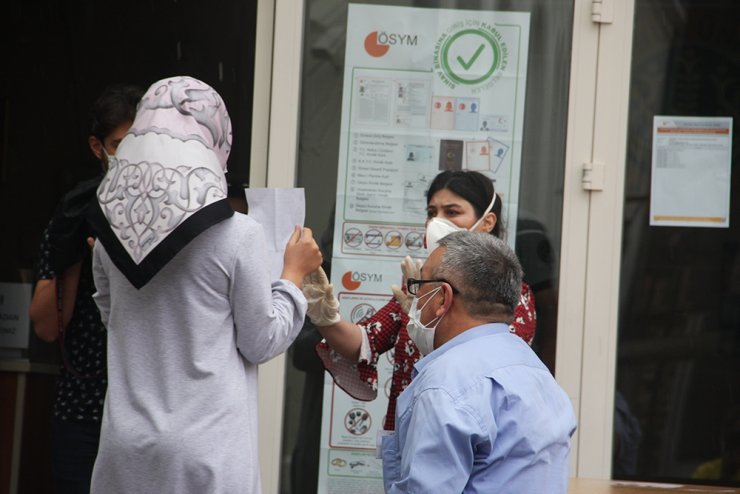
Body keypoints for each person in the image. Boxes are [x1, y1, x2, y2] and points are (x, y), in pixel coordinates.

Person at [86, 76, 322, 493]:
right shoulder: (237, 234)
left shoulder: (107, 237)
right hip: (207, 449)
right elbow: (262, 341)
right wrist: (293, 276)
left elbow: (114, 321)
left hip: (126, 444)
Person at [306, 170, 536, 431]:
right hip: (410, 430)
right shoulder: (418, 284)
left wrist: (426, 327)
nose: (436, 222)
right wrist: (324, 317)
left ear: (487, 222)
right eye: (431, 212)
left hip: (468, 433)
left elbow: (490, 366)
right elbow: (365, 342)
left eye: (452, 212)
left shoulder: (510, 295)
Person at [380, 231, 577, 492]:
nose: (414, 300)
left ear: (441, 299)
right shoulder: (537, 372)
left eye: (418, 285)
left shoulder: (444, 386)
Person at [28, 83, 143, 494]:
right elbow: (46, 326)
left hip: (147, 414)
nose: (129, 157)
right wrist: (77, 253)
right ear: (98, 147)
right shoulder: (75, 212)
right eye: (119, 144)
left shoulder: (170, 218)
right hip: (84, 410)